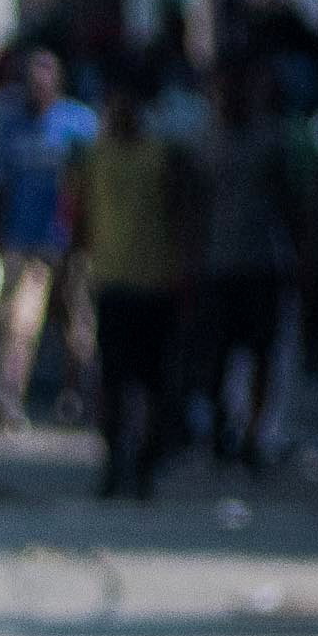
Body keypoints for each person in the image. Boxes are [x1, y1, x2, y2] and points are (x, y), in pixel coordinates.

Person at [77, 59, 195, 499]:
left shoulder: (162, 156)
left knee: (153, 384)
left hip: (156, 283)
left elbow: (181, 215)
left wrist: (184, 271)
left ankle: (146, 465)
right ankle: (113, 464)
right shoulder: (95, 155)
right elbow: (80, 216)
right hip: (112, 283)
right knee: (113, 381)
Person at [0, 44, 98, 430]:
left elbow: (92, 187)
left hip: (69, 242)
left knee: (77, 328)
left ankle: (75, 397)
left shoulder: (79, 125)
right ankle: (9, 399)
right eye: (31, 78)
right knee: (19, 325)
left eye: (45, 77)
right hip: (23, 241)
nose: (37, 85)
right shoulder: (8, 124)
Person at [202, 57, 309, 472]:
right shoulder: (205, 141)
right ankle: (221, 425)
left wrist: (302, 259)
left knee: (261, 351)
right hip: (216, 264)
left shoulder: (271, 142)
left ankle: (253, 432)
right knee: (216, 353)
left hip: (261, 261)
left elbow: (294, 207)